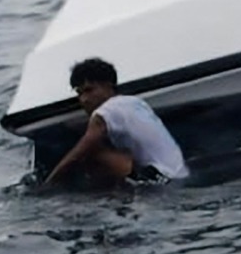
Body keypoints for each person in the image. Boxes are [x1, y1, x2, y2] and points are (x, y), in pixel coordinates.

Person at [44, 58, 188, 188]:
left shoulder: (105, 111)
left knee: (91, 151)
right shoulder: (136, 102)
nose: (84, 100)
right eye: (79, 93)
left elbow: (80, 151)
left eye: (89, 90)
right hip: (180, 174)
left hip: (156, 178)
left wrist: (48, 183)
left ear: (108, 85)